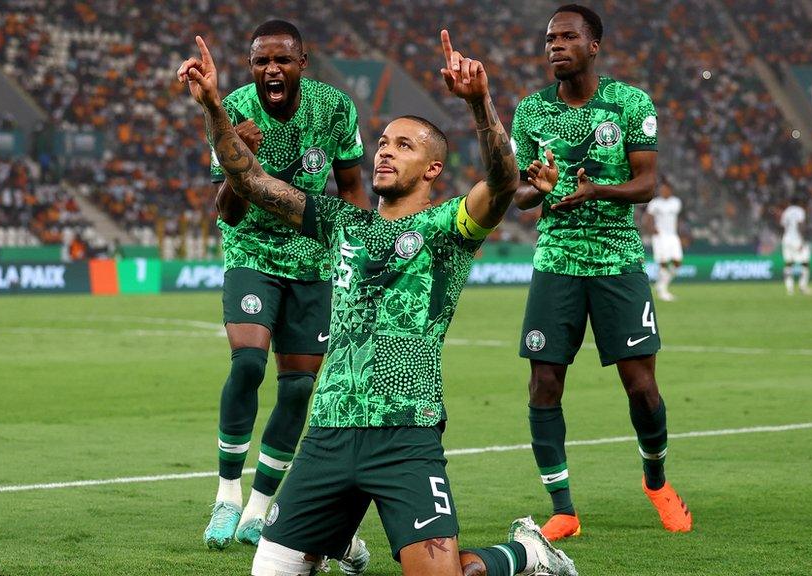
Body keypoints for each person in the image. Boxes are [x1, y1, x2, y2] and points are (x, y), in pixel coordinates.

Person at [179, 30, 578, 576]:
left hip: (405, 434)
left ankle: (526, 554)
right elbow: (249, 180)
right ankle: (339, 538)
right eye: (384, 142)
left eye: (404, 145)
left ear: (433, 170)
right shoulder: (343, 223)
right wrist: (211, 107)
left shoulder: (450, 227)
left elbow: (504, 182)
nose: (386, 151)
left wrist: (480, 103)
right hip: (327, 433)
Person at [509, 4, 692, 541]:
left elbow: (647, 184)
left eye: (567, 37)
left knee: (641, 387)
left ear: (594, 46)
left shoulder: (630, 103)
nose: (555, 46)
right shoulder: (531, 112)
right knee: (543, 383)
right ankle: (563, 507)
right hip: (556, 260)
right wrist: (537, 187)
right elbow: (517, 194)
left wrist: (597, 190)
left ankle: (656, 481)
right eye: (549, 39)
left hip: (617, 259)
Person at [201, 20, 372, 551]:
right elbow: (224, 212)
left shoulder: (336, 107)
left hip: (315, 261)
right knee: (248, 363)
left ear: (302, 61)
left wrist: (359, 255)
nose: (271, 69)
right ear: (251, 67)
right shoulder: (230, 110)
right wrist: (237, 156)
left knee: (298, 387)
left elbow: (351, 189)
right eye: (260, 62)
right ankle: (228, 496)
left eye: (281, 60)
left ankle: (259, 509)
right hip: (251, 251)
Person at [644, 181, 683, 302]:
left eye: (665, 189)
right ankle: (663, 291)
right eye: (661, 189)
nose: (663, 191)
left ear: (670, 190)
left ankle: (661, 284)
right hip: (660, 236)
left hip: (672, 236)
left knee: (677, 262)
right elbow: (647, 217)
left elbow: (676, 220)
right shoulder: (655, 203)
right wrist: (652, 229)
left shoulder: (676, 202)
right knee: (664, 262)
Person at [780, 197, 810, 296]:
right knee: (805, 263)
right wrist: (802, 240)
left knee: (788, 263)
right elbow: (800, 225)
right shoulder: (800, 211)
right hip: (796, 239)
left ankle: (789, 289)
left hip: (786, 239)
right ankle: (802, 286)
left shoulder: (786, 212)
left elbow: (783, 226)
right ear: (799, 202)